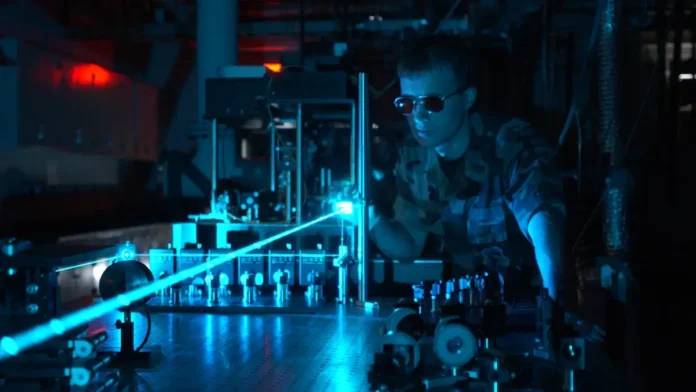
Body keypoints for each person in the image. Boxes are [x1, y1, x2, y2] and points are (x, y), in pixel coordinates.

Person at [362, 34, 569, 355]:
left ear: (467, 97)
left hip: (527, 308)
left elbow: (546, 234)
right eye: (407, 103)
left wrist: (553, 319)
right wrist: (370, 215)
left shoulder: (511, 144)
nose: (418, 116)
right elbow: (406, 246)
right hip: (465, 316)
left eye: (432, 102)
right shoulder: (416, 159)